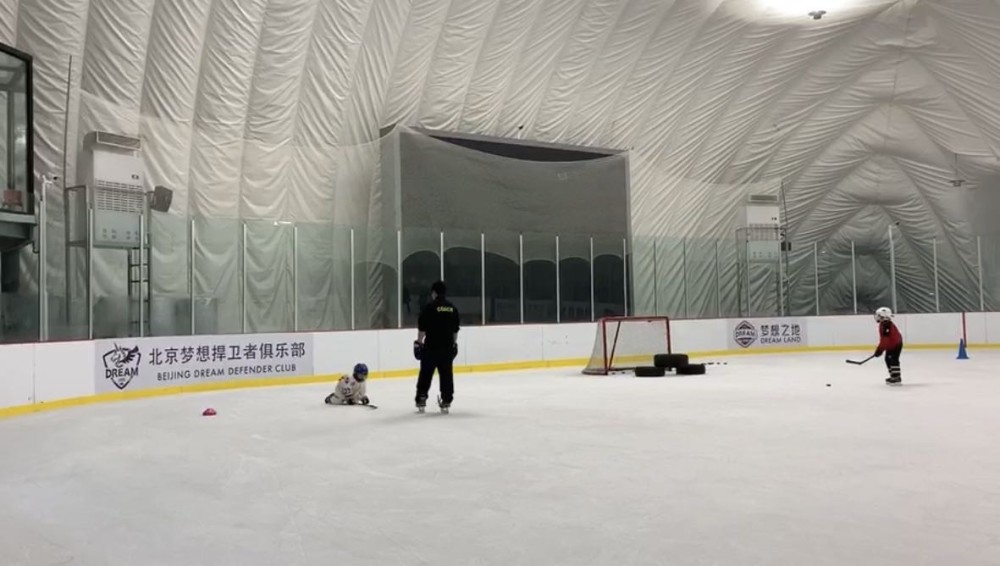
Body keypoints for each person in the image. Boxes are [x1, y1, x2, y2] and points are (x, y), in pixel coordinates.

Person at [413, 280, 460, 413]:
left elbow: (422, 328)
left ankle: (421, 397)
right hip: (447, 347)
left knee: (426, 373)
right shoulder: (452, 308)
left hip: (431, 347)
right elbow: (455, 331)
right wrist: (453, 344)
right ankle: (446, 400)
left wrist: (419, 342)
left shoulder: (429, 307)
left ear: (434, 293)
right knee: (446, 375)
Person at [873, 307, 903, 385]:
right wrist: (880, 350)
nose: (877, 317)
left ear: (883, 316)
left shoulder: (886, 325)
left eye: (878, 315)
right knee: (888, 359)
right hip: (891, 344)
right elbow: (884, 340)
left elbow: (885, 340)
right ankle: (894, 375)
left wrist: (879, 350)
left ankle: (896, 377)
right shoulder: (884, 324)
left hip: (895, 344)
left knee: (893, 359)